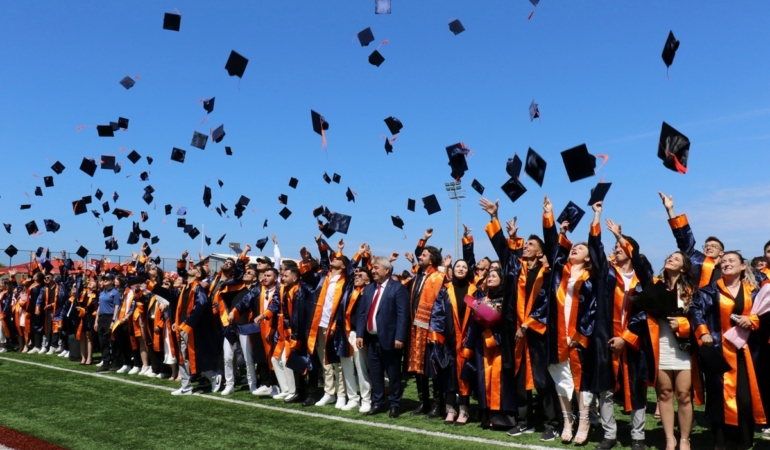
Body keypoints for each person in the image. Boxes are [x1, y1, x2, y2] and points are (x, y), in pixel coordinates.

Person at [690, 251, 767, 450]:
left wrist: (753, 320)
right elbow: (695, 310)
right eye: (723, 261)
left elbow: (766, 314)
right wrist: (703, 331)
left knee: (745, 398)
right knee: (718, 398)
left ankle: (743, 441)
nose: (726, 263)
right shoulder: (709, 291)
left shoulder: (755, 290)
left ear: (743, 267)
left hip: (748, 353)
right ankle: (720, 443)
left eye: (731, 260)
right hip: (718, 352)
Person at [626, 248, 697, 450]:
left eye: (676, 258)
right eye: (669, 257)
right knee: (664, 393)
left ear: (683, 268)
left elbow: (699, 319)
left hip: (683, 347)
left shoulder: (691, 290)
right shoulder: (655, 285)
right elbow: (639, 267)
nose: (670, 259)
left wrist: (683, 325)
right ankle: (669, 439)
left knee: (683, 394)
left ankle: (684, 439)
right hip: (660, 345)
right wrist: (621, 239)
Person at [543, 197, 599, 445]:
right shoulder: (560, 272)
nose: (575, 249)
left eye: (581, 248)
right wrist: (554, 221)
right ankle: (568, 421)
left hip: (579, 334)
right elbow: (553, 248)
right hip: (557, 333)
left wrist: (581, 336)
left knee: (581, 381)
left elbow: (593, 309)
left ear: (589, 257)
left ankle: (584, 421)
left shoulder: (591, 277)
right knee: (561, 380)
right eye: (573, 247)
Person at [599, 218, 654, 450]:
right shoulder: (608, 274)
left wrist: (627, 337)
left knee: (636, 387)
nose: (617, 249)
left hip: (634, 342)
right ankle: (609, 434)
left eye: (622, 247)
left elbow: (644, 312)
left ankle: (638, 436)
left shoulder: (644, 278)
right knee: (606, 389)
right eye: (615, 248)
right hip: (607, 339)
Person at [356, 256, 410, 418]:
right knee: (375, 373)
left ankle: (395, 404)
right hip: (372, 339)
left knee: (393, 374)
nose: (373, 270)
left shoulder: (398, 288)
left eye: (376, 268)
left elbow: (402, 315)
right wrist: (360, 334)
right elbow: (362, 313)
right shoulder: (370, 289)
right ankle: (378, 402)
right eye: (372, 268)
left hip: (390, 339)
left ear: (386, 270)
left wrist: (400, 337)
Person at [408, 244, 450, 419]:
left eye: (423, 255)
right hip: (416, 328)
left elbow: (442, 306)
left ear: (431, 258)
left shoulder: (440, 277)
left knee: (433, 368)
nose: (420, 257)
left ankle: (437, 405)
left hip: (432, 329)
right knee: (419, 368)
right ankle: (423, 402)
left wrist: (435, 328)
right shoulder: (419, 277)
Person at [172, 253, 220, 395]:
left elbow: (202, 304)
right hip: (183, 327)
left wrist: (188, 323)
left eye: (194, 268)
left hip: (194, 329)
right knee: (183, 357)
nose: (190, 268)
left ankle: (213, 377)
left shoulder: (197, 288)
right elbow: (182, 272)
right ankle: (185, 386)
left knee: (197, 356)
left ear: (198, 274)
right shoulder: (186, 286)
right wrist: (182, 259)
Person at [660, 192, 724, 288]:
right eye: (706, 246)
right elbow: (683, 236)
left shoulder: (725, 271)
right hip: (689, 299)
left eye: (714, 246)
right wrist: (670, 210)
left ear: (721, 253)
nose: (709, 247)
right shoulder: (695, 258)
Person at [95, 273, 121, 372]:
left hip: (110, 317)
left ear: (112, 281)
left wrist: (113, 320)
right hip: (102, 317)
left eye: (107, 279)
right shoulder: (102, 293)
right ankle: (106, 362)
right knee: (103, 342)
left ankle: (116, 362)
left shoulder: (115, 292)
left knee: (112, 341)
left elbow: (116, 307)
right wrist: (96, 320)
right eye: (104, 279)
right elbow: (99, 307)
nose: (104, 280)